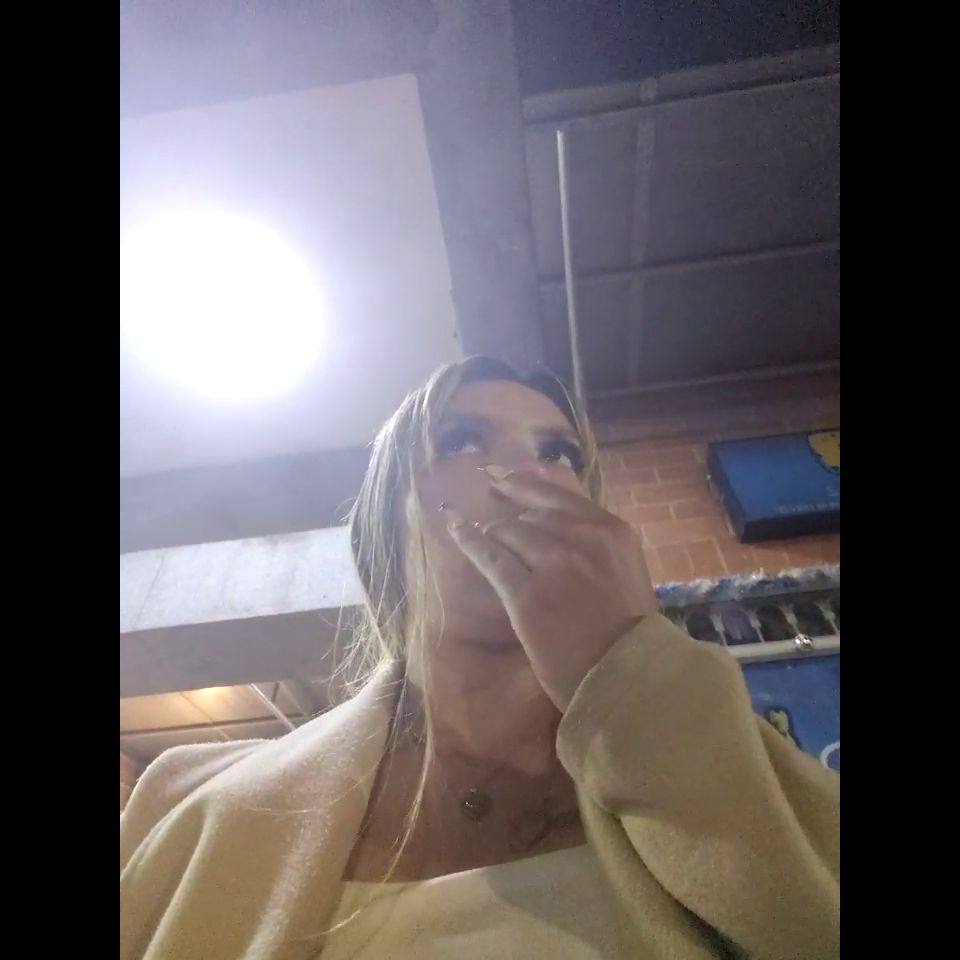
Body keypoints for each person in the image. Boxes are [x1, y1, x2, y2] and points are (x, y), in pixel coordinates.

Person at [120, 356, 839, 960]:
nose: (524, 476)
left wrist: (629, 664)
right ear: (388, 525)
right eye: (461, 442)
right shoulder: (184, 804)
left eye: (559, 454)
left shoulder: (749, 776)